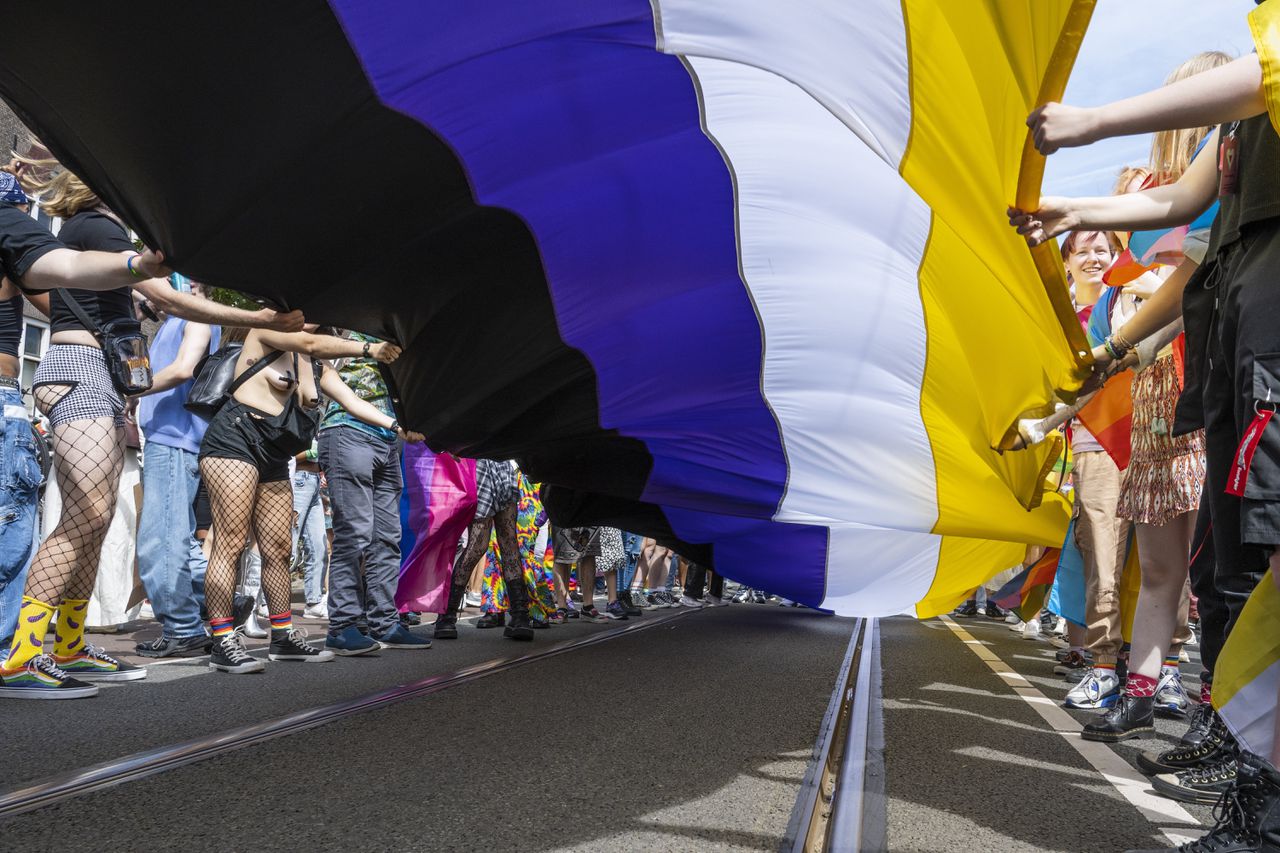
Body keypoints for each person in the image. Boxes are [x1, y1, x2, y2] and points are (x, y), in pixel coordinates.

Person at [1011, 34, 1280, 843]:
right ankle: (1253, 775)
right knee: (1235, 559)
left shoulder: (1263, 71)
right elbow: (1176, 208)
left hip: (1263, 335)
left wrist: (1092, 121)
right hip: (1237, 331)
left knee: (1254, 558)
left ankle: (1261, 797)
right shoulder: (1236, 140)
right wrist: (1079, 209)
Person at [0, 160, 300, 699]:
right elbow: (167, 296)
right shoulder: (101, 225)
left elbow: (70, 296)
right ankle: (22, 656)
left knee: (90, 520)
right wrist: (261, 320)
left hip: (94, 376)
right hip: (82, 373)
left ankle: (68, 647)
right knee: (84, 518)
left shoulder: (88, 229)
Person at [199, 327, 407, 673]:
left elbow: (352, 401)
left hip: (276, 453)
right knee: (231, 542)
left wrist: (398, 428)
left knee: (280, 547)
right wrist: (370, 349)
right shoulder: (267, 332)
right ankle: (222, 640)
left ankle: (282, 637)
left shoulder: (316, 363)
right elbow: (307, 340)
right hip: (235, 440)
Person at [1056, 230, 1134, 713]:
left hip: (1152, 437)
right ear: (1066, 261)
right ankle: (1103, 664)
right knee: (1101, 556)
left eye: (1100, 250)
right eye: (1080, 249)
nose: (1091, 257)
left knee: (1155, 564)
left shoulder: (1133, 299)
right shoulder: (1056, 319)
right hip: (1093, 442)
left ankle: (1161, 666)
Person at [318, 331, 428, 655]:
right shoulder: (331, 330)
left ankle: (385, 622)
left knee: (388, 537)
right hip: (347, 432)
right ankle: (342, 626)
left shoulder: (393, 328)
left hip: (387, 442)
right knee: (354, 533)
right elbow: (332, 384)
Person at [133, 280, 223, 658]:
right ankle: (222, 601)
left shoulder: (197, 314)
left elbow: (185, 368)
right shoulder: (174, 318)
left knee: (160, 543)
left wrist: (129, 391)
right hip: (165, 438)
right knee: (178, 540)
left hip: (176, 439)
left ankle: (184, 628)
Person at [433, 459, 536, 642]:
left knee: (499, 544)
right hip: (486, 468)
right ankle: (520, 618)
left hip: (497, 467)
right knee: (489, 545)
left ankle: (520, 616)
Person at [293, 440, 328, 621]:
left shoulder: (317, 419)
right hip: (298, 479)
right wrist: (308, 453)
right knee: (287, 547)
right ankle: (266, 602)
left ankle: (314, 602)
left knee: (318, 546)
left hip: (314, 482)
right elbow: (288, 458)